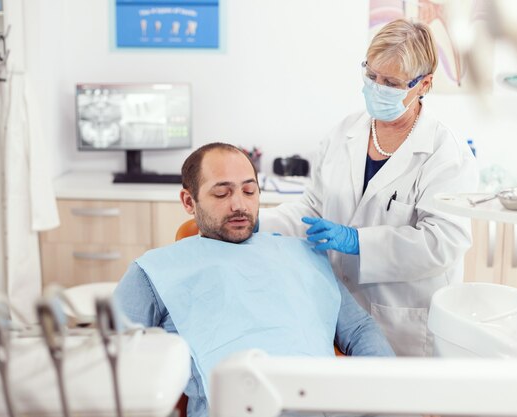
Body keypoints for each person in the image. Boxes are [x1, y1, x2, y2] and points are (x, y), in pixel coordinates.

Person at [114, 142, 394, 417]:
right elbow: (112, 354)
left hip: (321, 404)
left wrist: (396, 401)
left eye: (249, 191)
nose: (239, 205)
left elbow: (359, 330)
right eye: (222, 194)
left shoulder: (304, 252)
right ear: (189, 201)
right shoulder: (154, 271)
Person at [259, 19, 479, 356]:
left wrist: (357, 241)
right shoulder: (342, 134)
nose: (377, 88)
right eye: (372, 75)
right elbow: (312, 209)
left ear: (424, 84)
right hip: (337, 312)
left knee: (397, 406)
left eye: (391, 83)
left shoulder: (445, 152)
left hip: (404, 325)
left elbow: (443, 243)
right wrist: (259, 222)